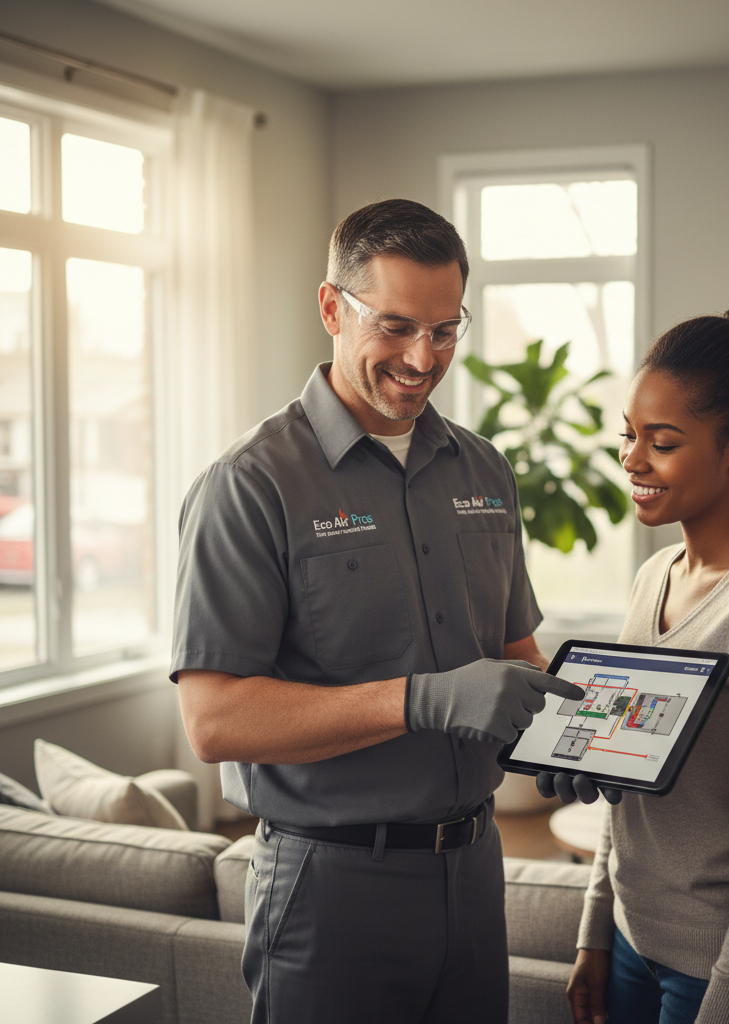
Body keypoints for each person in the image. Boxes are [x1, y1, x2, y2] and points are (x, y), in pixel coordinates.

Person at [172, 198, 582, 1024]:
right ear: (332, 306)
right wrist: (424, 699)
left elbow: (515, 654)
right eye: (395, 326)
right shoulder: (251, 484)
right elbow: (214, 720)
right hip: (331, 888)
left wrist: (571, 738)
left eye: (444, 330)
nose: (421, 358)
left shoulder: (484, 470)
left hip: (474, 874)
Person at [538, 282, 729, 1024]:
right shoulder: (651, 579)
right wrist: (596, 935)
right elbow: (623, 777)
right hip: (634, 946)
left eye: (662, 442)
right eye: (629, 433)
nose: (632, 459)